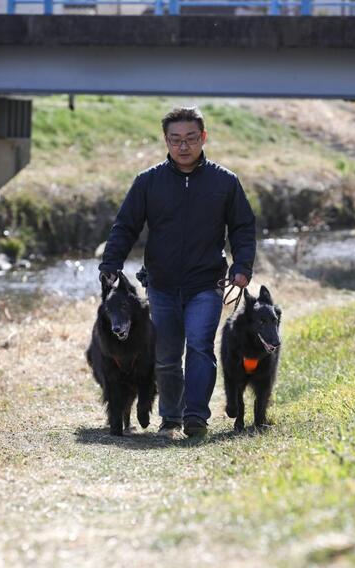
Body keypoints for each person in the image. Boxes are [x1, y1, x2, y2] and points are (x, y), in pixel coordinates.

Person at [99, 106, 256, 437]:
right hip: (161, 284)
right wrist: (110, 263)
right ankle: (171, 417)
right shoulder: (148, 182)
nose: (183, 146)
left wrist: (242, 266)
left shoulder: (225, 182)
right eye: (175, 140)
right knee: (167, 356)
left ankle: (196, 416)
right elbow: (126, 226)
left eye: (190, 139)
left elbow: (242, 227)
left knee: (199, 346)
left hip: (206, 283)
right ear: (166, 140)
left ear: (203, 137)